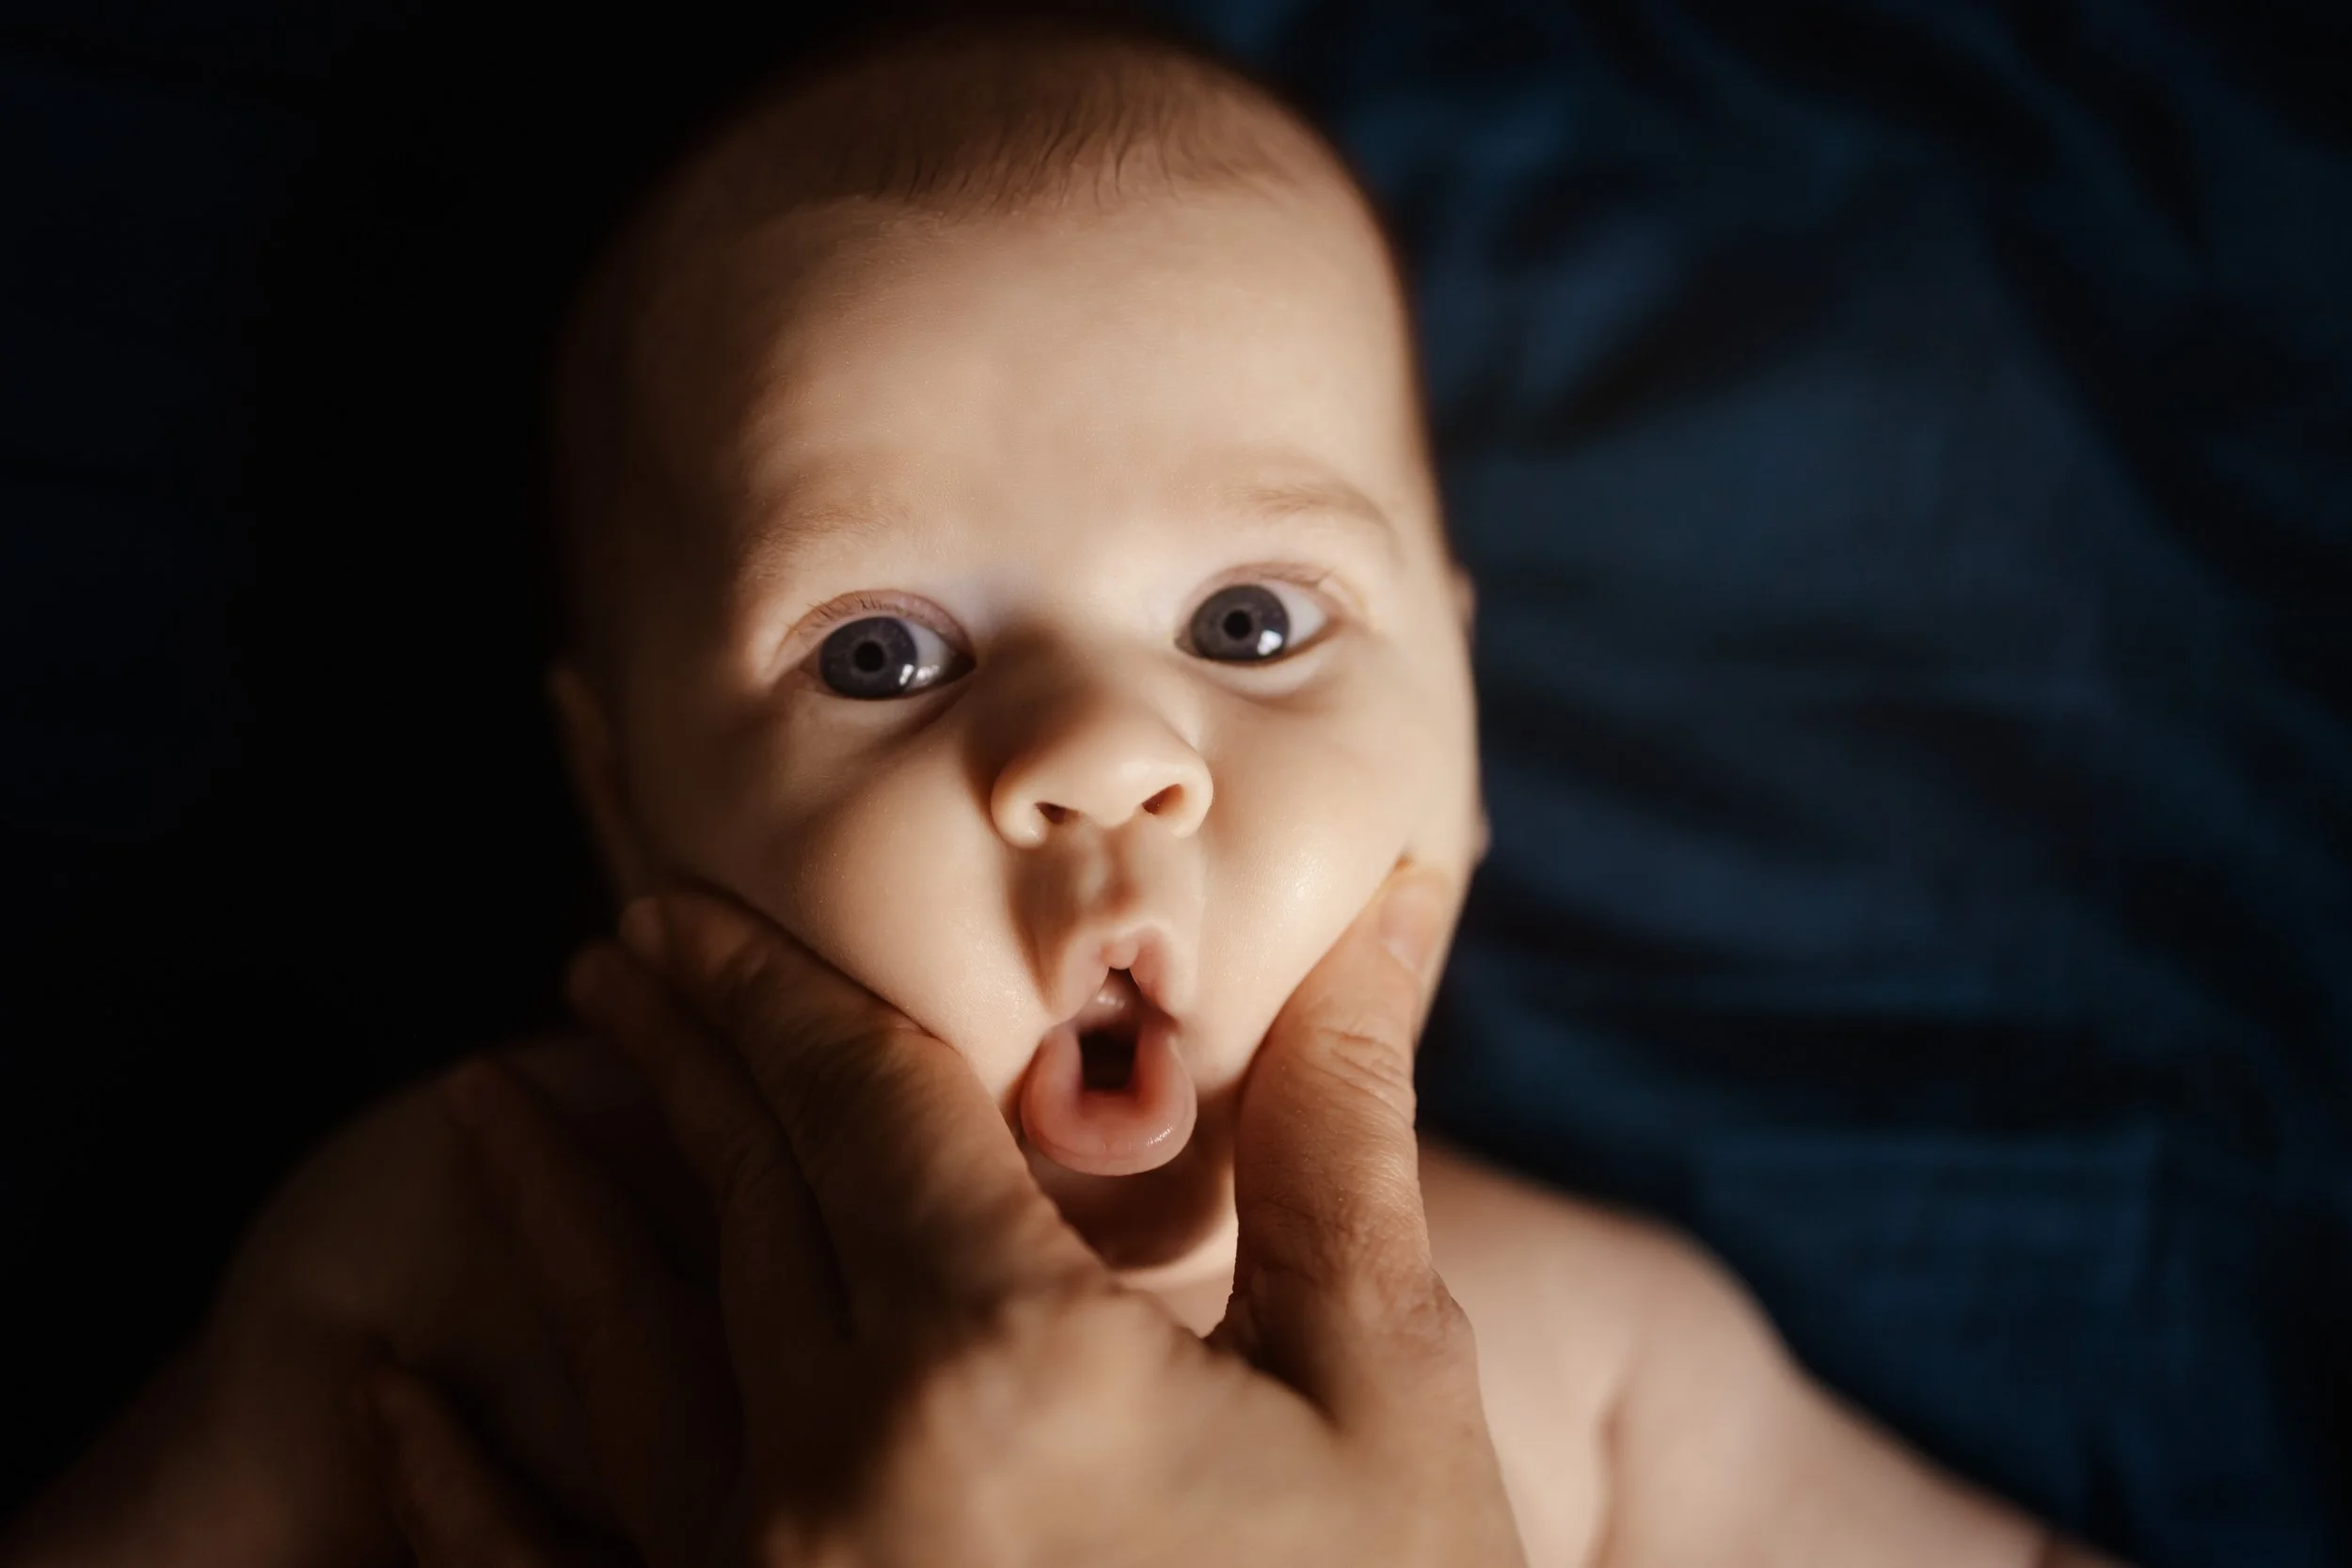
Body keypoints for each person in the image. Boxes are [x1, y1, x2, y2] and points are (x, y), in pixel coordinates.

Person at [0, 16, 2118, 1566]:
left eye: (1254, 623)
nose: (1104, 755)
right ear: (624, 798)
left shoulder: (1610, 1363)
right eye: (882, 652)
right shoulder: (433, 1274)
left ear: (1461, 733)